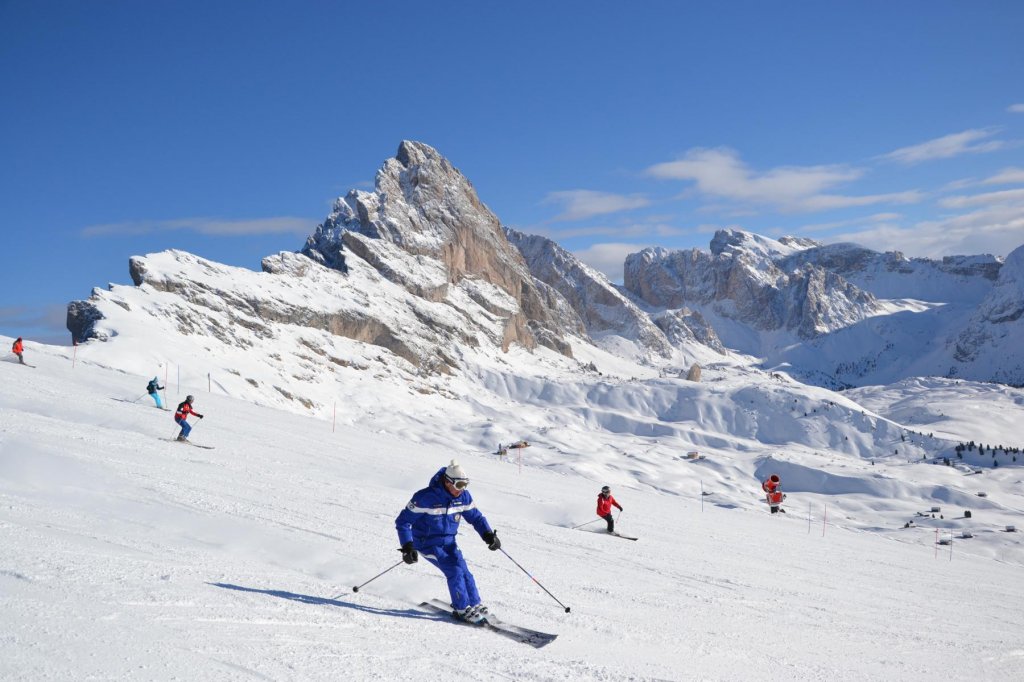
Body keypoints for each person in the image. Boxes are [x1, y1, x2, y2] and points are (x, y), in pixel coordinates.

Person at [395, 459, 501, 624]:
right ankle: (461, 609)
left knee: (464, 571)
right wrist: (408, 546)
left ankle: (474, 603)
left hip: (449, 543)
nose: (462, 489)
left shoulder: (463, 497)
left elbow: (476, 518)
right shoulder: (425, 497)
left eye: (465, 484)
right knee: (455, 571)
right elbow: (403, 522)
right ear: (447, 482)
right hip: (426, 543)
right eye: (459, 485)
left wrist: (488, 535)